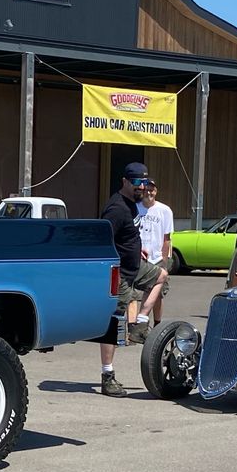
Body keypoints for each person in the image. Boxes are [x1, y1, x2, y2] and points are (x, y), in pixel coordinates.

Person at [99, 163, 161, 397]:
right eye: (136, 183)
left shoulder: (133, 206)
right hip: (120, 273)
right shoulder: (116, 208)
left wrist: (139, 249)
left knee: (161, 276)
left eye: (144, 183)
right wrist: (112, 268)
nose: (141, 187)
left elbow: (127, 235)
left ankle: (139, 323)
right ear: (125, 181)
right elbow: (104, 241)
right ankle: (107, 376)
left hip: (136, 265)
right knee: (113, 324)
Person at [135, 180, 175, 324]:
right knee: (135, 293)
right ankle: (136, 324)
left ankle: (156, 322)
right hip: (138, 256)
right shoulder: (135, 208)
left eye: (152, 190)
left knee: (157, 293)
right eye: (146, 190)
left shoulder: (165, 210)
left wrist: (164, 261)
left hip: (156, 257)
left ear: (156, 192)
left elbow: (167, 239)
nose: (149, 193)